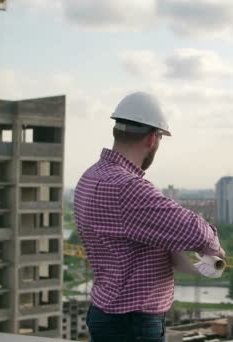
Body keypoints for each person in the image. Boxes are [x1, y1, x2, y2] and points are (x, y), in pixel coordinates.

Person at [74, 92, 224, 342]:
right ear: (153, 139)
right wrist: (215, 246)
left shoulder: (90, 177)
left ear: (117, 130)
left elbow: (137, 237)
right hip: (133, 325)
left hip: (106, 313)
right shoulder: (128, 187)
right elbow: (196, 232)